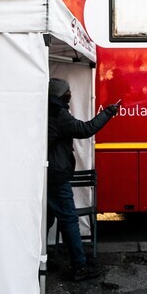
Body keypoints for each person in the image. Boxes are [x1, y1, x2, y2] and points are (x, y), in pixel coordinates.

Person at [47, 77, 119, 281]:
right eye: (67, 91)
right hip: (57, 174)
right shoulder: (58, 113)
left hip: (49, 173)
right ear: (61, 94)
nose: (70, 94)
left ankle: (41, 258)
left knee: (48, 218)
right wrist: (108, 112)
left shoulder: (48, 109)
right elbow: (85, 130)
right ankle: (79, 266)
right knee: (69, 218)